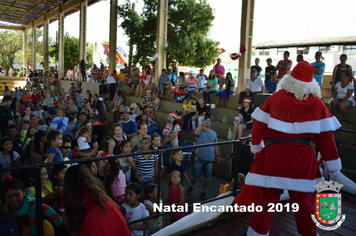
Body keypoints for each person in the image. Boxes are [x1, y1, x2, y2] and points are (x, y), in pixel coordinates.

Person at [238, 61, 341, 236]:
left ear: (289, 79)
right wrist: (333, 167)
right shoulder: (317, 103)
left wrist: (257, 148)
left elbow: (257, 126)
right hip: (302, 162)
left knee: (265, 206)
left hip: (273, 158)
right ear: (311, 84)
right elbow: (326, 138)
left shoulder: (274, 98)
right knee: (305, 208)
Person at [62, 165, 131, 236]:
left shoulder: (69, 195)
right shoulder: (96, 190)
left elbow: (71, 227)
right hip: (106, 216)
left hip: (96, 222)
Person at [187, 116, 221, 200]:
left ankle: (203, 192)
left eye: (208, 121)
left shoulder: (214, 133)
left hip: (210, 159)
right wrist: (201, 124)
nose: (207, 121)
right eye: (205, 121)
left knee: (207, 177)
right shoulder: (200, 131)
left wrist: (218, 156)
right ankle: (192, 185)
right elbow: (196, 133)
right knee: (195, 176)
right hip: (199, 158)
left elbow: (216, 145)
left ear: (211, 123)